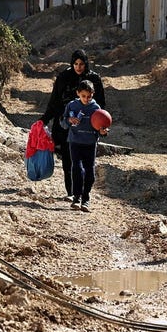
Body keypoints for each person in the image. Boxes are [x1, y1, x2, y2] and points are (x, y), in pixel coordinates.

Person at [40, 49, 106, 200]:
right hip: (66, 125)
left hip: (88, 127)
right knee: (69, 161)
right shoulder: (64, 77)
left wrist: (100, 125)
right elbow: (54, 101)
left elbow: (101, 105)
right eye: (75, 64)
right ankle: (71, 193)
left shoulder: (94, 79)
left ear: (86, 64)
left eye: (81, 64)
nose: (78, 67)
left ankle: (83, 193)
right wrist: (44, 119)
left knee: (86, 164)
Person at [60, 79, 109, 211]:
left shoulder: (96, 108)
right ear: (78, 93)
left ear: (93, 94)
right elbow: (63, 123)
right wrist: (69, 120)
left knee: (90, 172)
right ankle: (77, 198)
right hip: (75, 142)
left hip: (90, 143)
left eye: (89, 96)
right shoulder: (72, 106)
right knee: (77, 169)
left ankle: (86, 197)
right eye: (83, 96)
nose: (86, 99)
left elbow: (101, 128)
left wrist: (103, 131)